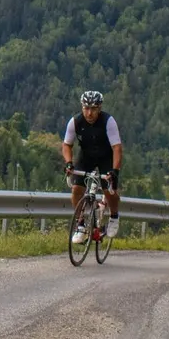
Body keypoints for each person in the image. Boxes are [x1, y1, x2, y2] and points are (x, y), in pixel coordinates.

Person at [62, 90, 121, 242]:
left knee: (109, 190)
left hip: (106, 157)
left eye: (93, 109)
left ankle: (114, 216)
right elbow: (67, 145)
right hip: (86, 156)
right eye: (86, 108)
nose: (89, 113)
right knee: (76, 189)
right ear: (82, 107)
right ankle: (80, 224)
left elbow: (117, 148)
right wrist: (69, 163)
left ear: (99, 108)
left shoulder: (108, 121)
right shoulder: (75, 121)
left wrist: (114, 171)